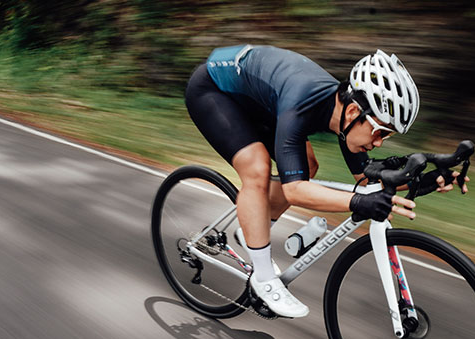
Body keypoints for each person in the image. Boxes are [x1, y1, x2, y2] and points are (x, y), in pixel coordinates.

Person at [185, 45, 460, 318]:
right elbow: (294, 191)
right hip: (214, 92)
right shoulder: (303, 101)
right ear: (354, 113)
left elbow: (365, 180)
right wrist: (359, 202)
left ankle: (252, 229)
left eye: (386, 137)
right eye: (380, 132)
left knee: (308, 165)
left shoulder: (346, 117)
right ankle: (264, 278)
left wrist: (430, 181)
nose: (378, 143)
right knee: (257, 168)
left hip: (260, 102)